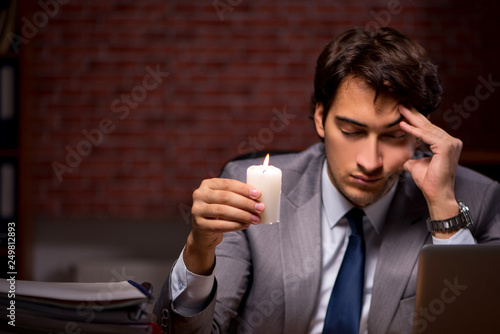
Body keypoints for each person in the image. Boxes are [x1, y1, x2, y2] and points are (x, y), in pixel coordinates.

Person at [153, 27, 500, 334]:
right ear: (321, 118)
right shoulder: (250, 191)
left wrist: (444, 209)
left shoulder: (479, 199)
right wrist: (199, 249)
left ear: (420, 134)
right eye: (351, 131)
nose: (370, 161)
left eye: (394, 136)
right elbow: (190, 332)